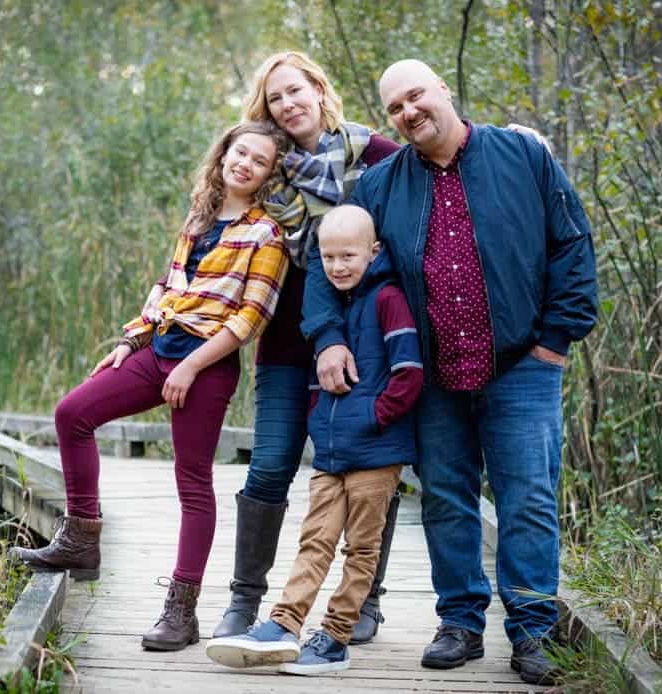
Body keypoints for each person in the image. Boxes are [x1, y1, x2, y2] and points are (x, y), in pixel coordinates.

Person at [302, 59, 598, 686]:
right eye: (395, 108)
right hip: (430, 374)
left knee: (529, 501)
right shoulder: (381, 186)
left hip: (522, 364)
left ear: (443, 91)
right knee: (444, 499)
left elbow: (572, 244)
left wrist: (555, 341)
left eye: (416, 96)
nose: (409, 113)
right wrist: (328, 337)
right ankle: (460, 622)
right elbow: (331, 257)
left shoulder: (522, 156)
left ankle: (533, 631)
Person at [10, 120, 291, 652]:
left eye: (259, 161)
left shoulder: (266, 235)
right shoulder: (199, 217)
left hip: (206, 365)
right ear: (224, 154)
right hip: (159, 348)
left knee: (192, 481)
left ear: (268, 175)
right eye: (240, 152)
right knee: (73, 413)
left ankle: (180, 612)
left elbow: (250, 319)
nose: (245, 164)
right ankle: (81, 539)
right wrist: (132, 341)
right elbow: (167, 285)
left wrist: (191, 368)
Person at [213, 50, 402, 646]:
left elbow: (425, 196)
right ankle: (246, 600)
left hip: (368, 342)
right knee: (270, 464)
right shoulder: (267, 170)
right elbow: (217, 220)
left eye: (296, 91)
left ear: (319, 90)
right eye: (275, 98)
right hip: (290, 344)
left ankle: (366, 597)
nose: (288, 104)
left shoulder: (374, 156)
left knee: (367, 471)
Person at [206, 205, 423, 675]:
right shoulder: (331, 312)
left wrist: (374, 418)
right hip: (331, 454)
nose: (338, 266)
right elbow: (318, 381)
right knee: (314, 540)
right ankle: (284, 624)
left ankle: (336, 637)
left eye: (349, 255)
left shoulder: (388, 300)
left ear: (374, 252)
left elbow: (408, 374)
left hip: (376, 453)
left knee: (360, 548)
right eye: (328, 258)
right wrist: (323, 421)